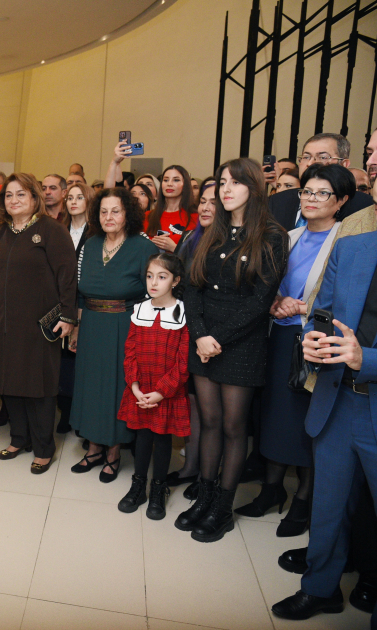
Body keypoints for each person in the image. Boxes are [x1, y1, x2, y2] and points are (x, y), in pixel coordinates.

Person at [233, 164, 351, 537]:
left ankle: (302, 501)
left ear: (341, 201)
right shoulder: (288, 236)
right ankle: (271, 491)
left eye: (322, 193)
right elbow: (266, 283)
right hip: (277, 337)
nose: (311, 199)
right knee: (273, 416)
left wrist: (301, 307)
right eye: (307, 192)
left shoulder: (345, 243)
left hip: (315, 344)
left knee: (306, 422)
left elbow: (348, 303)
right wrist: (274, 300)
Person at [178, 157, 288, 543]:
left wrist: (215, 339)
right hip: (204, 338)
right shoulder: (212, 231)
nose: (225, 189)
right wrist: (200, 334)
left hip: (240, 344)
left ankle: (222, 508)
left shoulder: (272, 235)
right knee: (207, 422)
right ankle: (204, 499)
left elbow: (261, 301)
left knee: (233, 426)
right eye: (222, 182)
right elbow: (191, 287)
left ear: (254, 188)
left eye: (234, 183)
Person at [270, 227, 377, 624]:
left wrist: (366, 359)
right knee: (328, 508)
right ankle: (319, 588)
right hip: (338, 400)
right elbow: (323, 313)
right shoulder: (352, 247)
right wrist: (313, 342)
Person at [0, 173, 76, 473]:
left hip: (40, 323)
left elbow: (67, 275)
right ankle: (18, 438)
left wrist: (67, 316)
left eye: (21, 194)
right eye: (9, 195)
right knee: (11, 383)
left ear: (35, 198)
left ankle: (43, 447)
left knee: (39, 386)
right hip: (4, 322)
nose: (14, 200)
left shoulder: (51, 230)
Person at [70, 188, 159, 482]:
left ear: (128, 214)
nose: (109, 217)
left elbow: (156, 293)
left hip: (126, 327)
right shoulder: (90, 245)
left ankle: (114, 452)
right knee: (91, 388)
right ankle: (94, 448)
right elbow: (80, 292)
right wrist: (77, 328)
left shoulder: (142, 247)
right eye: (104, 211)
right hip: (92, 325)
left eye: (116, 211)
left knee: (117, 390)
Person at [117, 252, 190, 519]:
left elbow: (183, 363)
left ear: (175, 280)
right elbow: (131, 351)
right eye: (150, 276)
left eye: (162, 277)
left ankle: (158, 488)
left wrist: (160, 392)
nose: (154, 283)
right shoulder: (140, 311)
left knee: (162, 439)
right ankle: (138, 485)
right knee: (142, 437)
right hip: (141, 390)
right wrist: (135, 386)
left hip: (165, 393)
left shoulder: (182, 314)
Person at [168, 178, 216, 491]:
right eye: (204, 202)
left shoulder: (228, 241)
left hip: (214, 335)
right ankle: (190, 466)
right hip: (187, 328)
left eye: (215, 202)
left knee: (215, 413)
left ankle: (207, 476)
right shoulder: (189, 236)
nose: (207, 207)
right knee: (193, 404)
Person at [270, 133, 374, 229]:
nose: (310, 163)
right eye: (306, 157)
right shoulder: (277, 201)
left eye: (322, 157)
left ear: (344, 164)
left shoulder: (366, 206)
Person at [54, 181, 94, 433]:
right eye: (70, 197)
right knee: (61, 362)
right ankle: (64, 412)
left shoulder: (96, 233)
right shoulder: (58, 230)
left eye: (80, 197)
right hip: (57, 301)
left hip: (84, 305)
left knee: (79, 359)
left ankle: (79, 415)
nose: (73, 201)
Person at [146, 165, 198, 251]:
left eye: (176, 180)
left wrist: (174, 248)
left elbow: (197, 256)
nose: (169, 184)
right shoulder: (147, 216)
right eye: (166, 180)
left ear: (185, 185)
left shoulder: (195, 218)